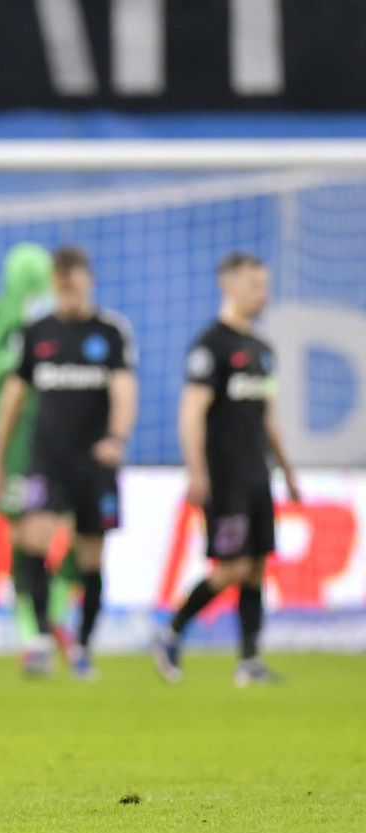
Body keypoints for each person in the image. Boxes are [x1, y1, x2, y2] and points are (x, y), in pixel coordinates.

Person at [0, 246, 138, 680]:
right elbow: (13, 397)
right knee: (33, 541)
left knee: (91, 557)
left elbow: (125, 389)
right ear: (53, 285)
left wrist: (117, 437)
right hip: (46, 459)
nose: (67, 294)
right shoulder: (38, 333)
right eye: (60, 287)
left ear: (88, 280)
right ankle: (37, 640)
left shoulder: (110, 332)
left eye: (73, 285)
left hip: (94, 462)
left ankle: (84, 646)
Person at [153, 252, 299, 687]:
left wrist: (288, 471)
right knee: (230, 568)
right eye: (254, 284)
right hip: (224, 475)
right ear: (229, 286)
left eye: (264, 284)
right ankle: (171, 632)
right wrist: (197, 471)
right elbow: (191, 413)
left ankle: (249, 660)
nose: (262, 293)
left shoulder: (262, 350)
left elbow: (268, 414)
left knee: (256, 566)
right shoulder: (210, 346)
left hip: (258, 474)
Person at [0, 243, 85, 669]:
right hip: (21, 441)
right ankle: (30, 630)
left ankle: (52, 611)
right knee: (22, 536)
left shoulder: (66, 319)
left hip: (70, 437)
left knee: (85, 536)